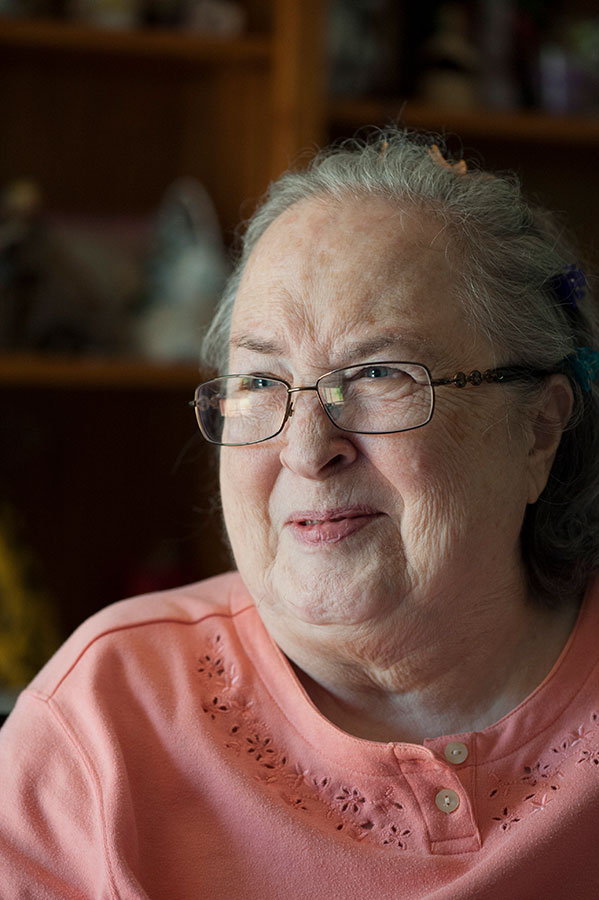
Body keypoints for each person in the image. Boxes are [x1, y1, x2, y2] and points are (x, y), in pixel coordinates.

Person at [2, 130, 599, 899]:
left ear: (537, 430)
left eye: (380, 372)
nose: (307, 447)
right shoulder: (108, 720)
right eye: (258, 382)